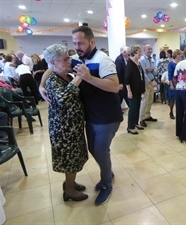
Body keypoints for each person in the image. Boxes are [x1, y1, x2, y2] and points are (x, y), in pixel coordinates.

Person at [40, 26, 122, 205]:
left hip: (106, 116)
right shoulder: (77, 59)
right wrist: (41, 85)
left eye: (81, 43)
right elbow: (52, 65)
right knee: (95, 150)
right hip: (91, 116)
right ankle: (108, 173)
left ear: (92, 42)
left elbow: (115, 86)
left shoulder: (103, 60)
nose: (77, 46)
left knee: (100, 150)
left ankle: (107, 183)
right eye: (75, 42)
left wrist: (89, 78)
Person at [43, 44, 88, 202]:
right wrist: (79, 78)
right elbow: (62, 99)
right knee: (70, 160)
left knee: (75, 158)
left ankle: (70, 183)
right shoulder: (53, 80)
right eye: (64, 59)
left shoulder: (66, 75)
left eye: (68, 57)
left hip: (73, 127)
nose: (69, 61)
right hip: (63, 129)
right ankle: (69, 191)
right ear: (53, 63)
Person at [125, 45, 145, 135]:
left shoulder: (138, 63)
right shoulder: (130, 64)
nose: (140, 54)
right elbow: (127, 79)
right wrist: (129, 91)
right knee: (133, 108)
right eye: (139, 52)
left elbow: (141, 76)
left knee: (137, 107)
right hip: (132, 90)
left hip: (138, 90)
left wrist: (142, 89)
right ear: (134, 53)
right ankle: (130, 127)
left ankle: (135, 123)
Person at [139, 44, 158, 127]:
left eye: (151, 49)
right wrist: (150, 82)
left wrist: (152, 69)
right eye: (148, 49)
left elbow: (155, 70)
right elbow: (143, 73)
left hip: (152, 81)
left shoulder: (152, 59)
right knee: (144, 101)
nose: (150, 50)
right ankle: (142, 119)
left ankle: (147, 115)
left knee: (150, 100)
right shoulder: (142, 60)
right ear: (144, 50)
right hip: (146, 83)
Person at [167, 49, 182, 120]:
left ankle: (179, 112)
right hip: (173, 82)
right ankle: (171, 112)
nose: (181, 55)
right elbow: (169, 75)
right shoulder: (171, 64)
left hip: (180, 82)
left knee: (179, 99)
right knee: (172, 99)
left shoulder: (181, 63)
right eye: (179, 54)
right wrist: (171, 84)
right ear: (176, 55)